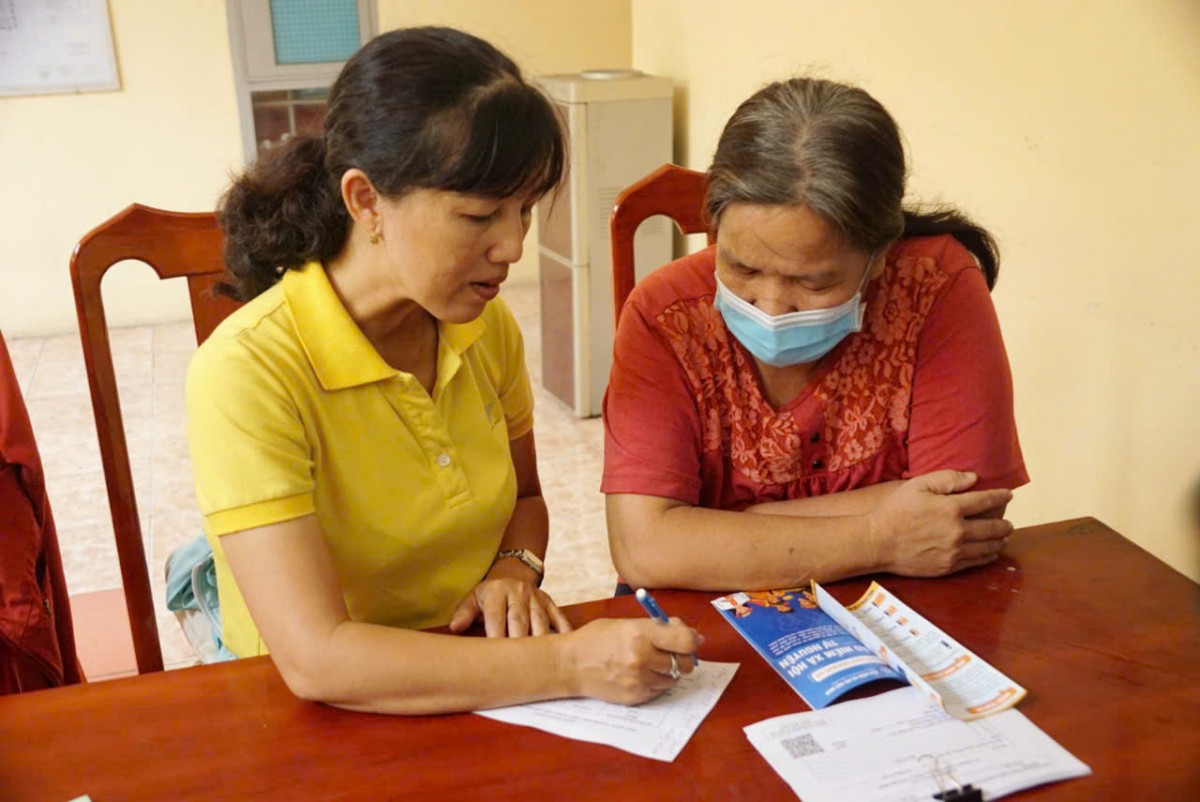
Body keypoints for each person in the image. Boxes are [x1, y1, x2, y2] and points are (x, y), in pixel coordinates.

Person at [186, 27, 699, 715]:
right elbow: (316, 660)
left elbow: (523, 502)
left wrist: (515, 571)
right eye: (480, 215)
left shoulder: (483, 330)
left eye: (523, 210)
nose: (512, 246)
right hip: (325, 714)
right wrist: (568, 662)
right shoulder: (248, 372)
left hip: (475, 679)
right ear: (367, 201)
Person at [603, 77, 1027, 593]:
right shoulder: (666, 315)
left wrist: (729, 527)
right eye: (741, 268)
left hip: (900, 600)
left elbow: (965, 514)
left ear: (878, 256)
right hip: (709, 609)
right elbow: (645, 550)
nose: (773, 306)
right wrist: (880, 535)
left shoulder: (933, 285)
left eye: (815, 281)